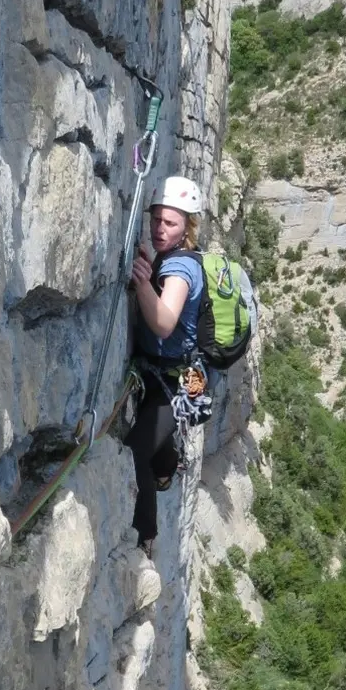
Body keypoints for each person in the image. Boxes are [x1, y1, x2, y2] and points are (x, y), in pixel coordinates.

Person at [125, 175, 207, 555]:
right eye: (157, 219)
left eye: (170, 223)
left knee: (136, 447)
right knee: (154, 436)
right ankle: (167, 466)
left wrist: (143, 285)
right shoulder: (168, 258)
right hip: (169, 372)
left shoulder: (181, 269)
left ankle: (146, 537)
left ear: (187, 227)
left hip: (173, 381)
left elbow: (164, 322)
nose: (160, 228)